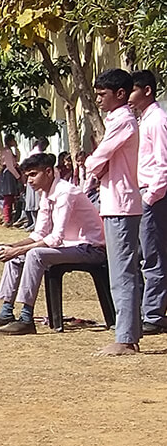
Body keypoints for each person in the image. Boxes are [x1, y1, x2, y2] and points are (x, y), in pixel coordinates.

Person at [0, 152, 108, 335]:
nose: (29, 180)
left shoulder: (66, 192)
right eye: (27, 175)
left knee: (34, 254)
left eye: (33, 174)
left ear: (48, 172)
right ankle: (6, 312)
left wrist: (19, 250)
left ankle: (26, 318)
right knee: (16, 256)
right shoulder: (45, 194)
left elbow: (55, 238)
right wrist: (13, 247)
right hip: (70, 246)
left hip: (90, 248)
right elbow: (40, 233)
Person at [86, 68, 145, 355]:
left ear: (120, 94)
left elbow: (99, 157)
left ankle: (126, 337)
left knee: (123, 272)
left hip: (122, 203)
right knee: (122, 271)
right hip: (115, 202)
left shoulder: (123, 120)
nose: (98, 99)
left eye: (102, 94)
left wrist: (93, 167)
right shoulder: (117, 120)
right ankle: (128, 331)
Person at [132, 71, 167, 336]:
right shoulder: (144, 120)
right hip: (143, 194)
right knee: (144, 254)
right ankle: (150, 311)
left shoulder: (157, 121)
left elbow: (163, 164)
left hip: (152, 196)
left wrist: (149, 196)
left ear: (147, 90)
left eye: (131, 91)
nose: (128, 98)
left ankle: (153, 315)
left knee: (152, 256)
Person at [0, 135, 22, 225]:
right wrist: (18, 176)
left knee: (12, 197)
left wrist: (16, 148)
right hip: (9, 174)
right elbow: (10, 166)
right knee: (8, 196)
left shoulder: (10, 151)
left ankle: (10, 218)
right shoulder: (6, 151)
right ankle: (7, 218)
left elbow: (17, 159)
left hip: (11, 173)